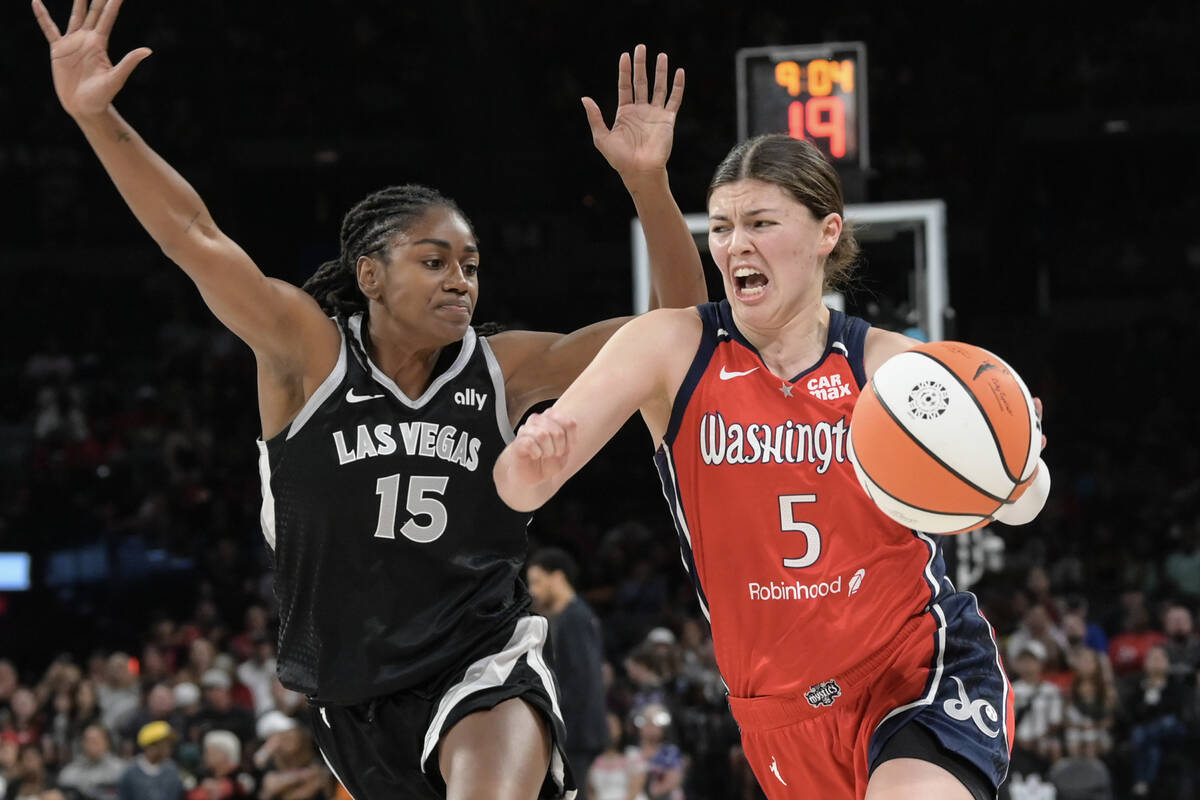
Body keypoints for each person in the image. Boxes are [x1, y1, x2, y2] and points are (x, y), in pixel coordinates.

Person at [31, 3, 706, 798]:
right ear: (371, 275)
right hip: (348, 699)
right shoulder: (307, 355)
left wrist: (650, 186)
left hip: (483, 663)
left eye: (472, 263)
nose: (461, 278)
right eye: (435, 260)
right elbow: (193, 235)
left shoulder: (505, 369)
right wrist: (96, 114)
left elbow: (677, 334)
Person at [494, 131, 1054, 799]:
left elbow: (1020, 499)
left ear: (827, 233)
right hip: (778, 716)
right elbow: (521, 487)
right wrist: (530, 461)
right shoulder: (671, 347)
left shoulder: (888, 368)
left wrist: (1019, 463)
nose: (735, 245)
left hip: (915, 672)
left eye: (761, 223)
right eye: (724, 226)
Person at [527, 548, 610, 797]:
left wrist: (555, 724)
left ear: (558, 578)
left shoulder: (575, 618)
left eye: (537, 582)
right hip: (577, 729)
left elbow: (582, 680)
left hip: (575, 731)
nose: (533, 591)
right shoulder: (571, 616)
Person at [56, 724, 128, 800]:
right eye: (89, 740)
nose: (92, 744)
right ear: (83, 744)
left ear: (107, 743)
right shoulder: (70, 772)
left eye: (96, 740)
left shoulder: (121, 769)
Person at [118, 722, 183, 800]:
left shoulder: (172, 770)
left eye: (170, 743)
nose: (169, 747)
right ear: (151, 746)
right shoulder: (130, 773)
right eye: (165, 743)